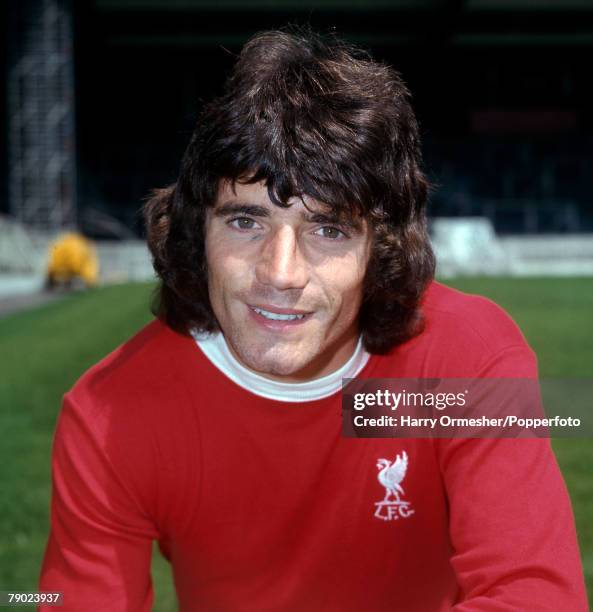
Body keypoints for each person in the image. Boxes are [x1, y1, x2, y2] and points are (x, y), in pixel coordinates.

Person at [38, 27, 587, 611]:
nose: (280, 272)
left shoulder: (464, 363)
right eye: (245, 222)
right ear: (198, 231)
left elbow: (533, 596)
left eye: (327, 229)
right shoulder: (112, 415)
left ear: (380, 247)